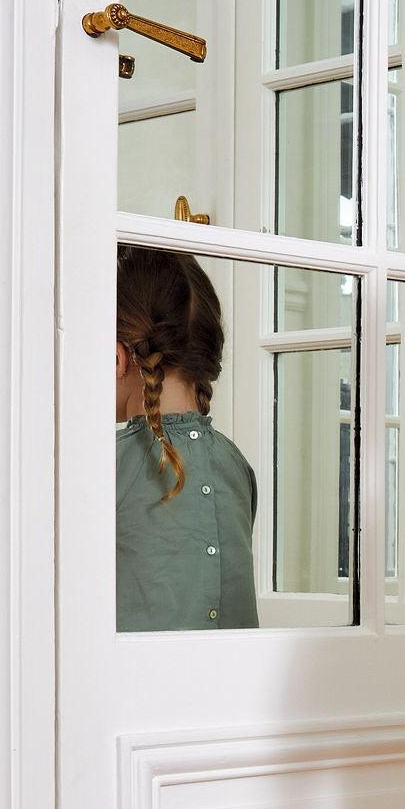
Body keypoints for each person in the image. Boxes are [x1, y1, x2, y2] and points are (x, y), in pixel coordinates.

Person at [115, 245, 258, 631]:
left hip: (131, 687)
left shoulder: (103, 467)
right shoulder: (234, 462)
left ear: (117, 357)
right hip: (236, 685)